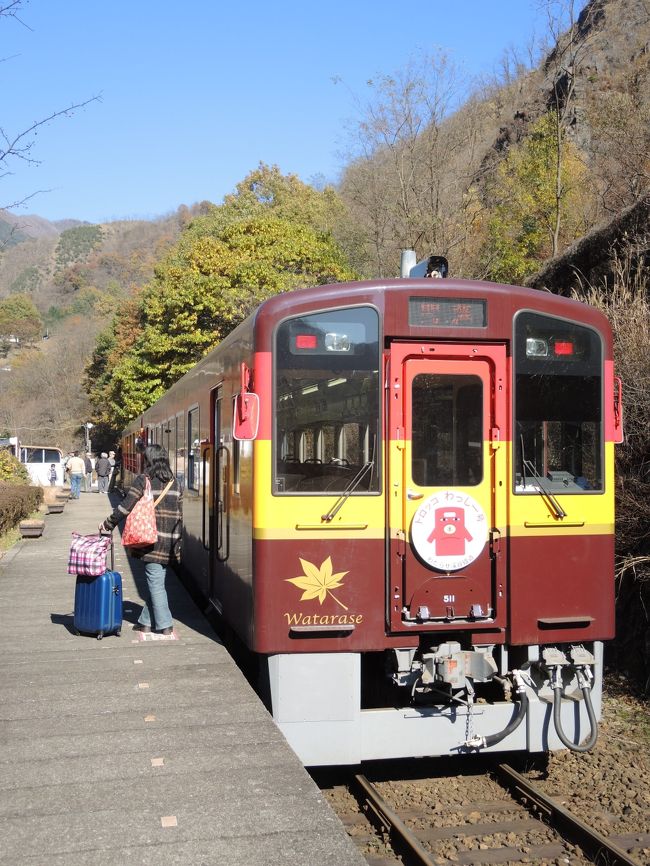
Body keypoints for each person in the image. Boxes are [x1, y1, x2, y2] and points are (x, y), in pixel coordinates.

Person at [100, 443, 182, 635]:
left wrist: (108, 523)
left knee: (155, 583)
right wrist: (178, 545)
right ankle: (144, 622)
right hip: (168, 540)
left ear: (149, 459)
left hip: (150, 539)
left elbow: (126, 506)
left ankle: (164, 625)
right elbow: (180, 516)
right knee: (157, 581)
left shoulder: (144, 480)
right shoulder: (175, 483)